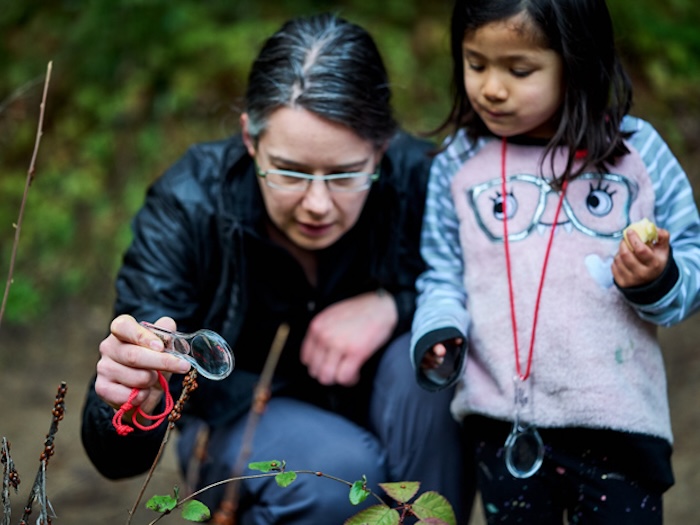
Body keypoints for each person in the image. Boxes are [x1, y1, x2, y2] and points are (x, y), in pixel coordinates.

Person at [80, 12, 474, 525]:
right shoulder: (190, 204)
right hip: (239, 413)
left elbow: (489, 295)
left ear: (381, 148)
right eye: (289, 171)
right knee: (336, 472)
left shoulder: (423, 181)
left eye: (344, 175)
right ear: (250, 138)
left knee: (432, 363)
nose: (316, 204)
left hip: (394, 404)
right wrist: (135, 393)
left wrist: (392, 306)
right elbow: (114, 457)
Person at [410, 0, 700, 523]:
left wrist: (658, 278)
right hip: (502, 429)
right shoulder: (459, 161)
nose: (491, 88)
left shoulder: (636, 154)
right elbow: (442, 273)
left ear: (578, 62)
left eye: (519, 70)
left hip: (621, 430)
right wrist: (438, 332)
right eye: (475, 64)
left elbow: (692, 268)